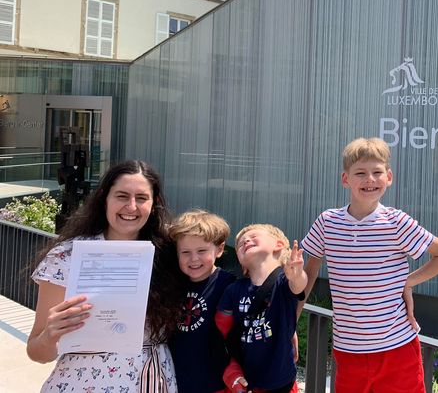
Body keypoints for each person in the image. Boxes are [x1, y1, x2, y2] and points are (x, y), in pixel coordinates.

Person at [301, 137, 438, 393]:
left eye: (377, 172)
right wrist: (290, 324)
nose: (370, 179)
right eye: (360, 173)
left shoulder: (397, 222)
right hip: (348, 349)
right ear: (345, 179)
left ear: (389, 177)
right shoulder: (327, 223)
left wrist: (407, 282)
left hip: (397, 348)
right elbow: (308, 275)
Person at [27, 160, 184, 392]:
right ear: (104, 198)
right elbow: (36, 351)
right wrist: (50, 336)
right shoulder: (67, 255)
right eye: (121, 196)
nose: (131, 207)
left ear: (154, 203)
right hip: (80, 383)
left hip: (151, 380)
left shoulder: (171, 254)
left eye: (141, 198)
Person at [215, 224, 307, 393]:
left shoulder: (284, 282)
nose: (246, 241)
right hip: (247, 380)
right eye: (240, 243)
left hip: (282, 384)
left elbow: (298, 285)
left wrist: (297, 274)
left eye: (253, 236)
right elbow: (222, 332)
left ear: (279, 245)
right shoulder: (233, 290)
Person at [168, 209, 236, 393]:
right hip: (175, 382)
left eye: (202, 250)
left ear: (220, 249)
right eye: (185, 252)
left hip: (216, 384)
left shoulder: (229, 286)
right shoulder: (173, 285)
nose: (194, 259)